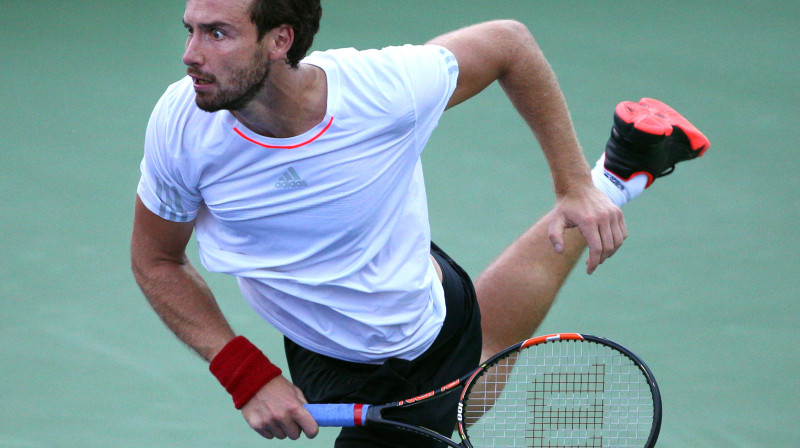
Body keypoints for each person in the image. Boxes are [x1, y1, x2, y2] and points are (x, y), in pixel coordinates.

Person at [130, 0, 709, 446]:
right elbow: (156, 258)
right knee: (483, 364)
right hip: (326, 329)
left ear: (280, 39)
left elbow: (509, 44)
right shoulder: (182, 123)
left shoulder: (380, 91)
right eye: (191, 29)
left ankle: (611, 177)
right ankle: (623, 170)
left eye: (217, 33)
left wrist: (572, 186)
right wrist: (246, 374)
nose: (190, 53)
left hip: (409, 331)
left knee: (476, 373)